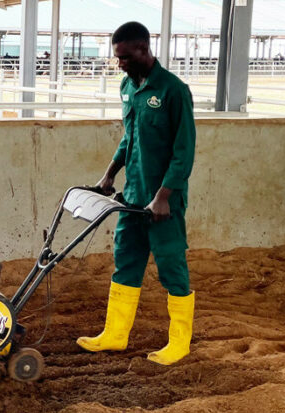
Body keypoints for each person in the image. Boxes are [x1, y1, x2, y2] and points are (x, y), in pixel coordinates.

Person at [77, 21, 196, 366]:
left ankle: (179, 342)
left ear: (144, 50)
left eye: (125, 57)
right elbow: (129, 138)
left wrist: (164, 195)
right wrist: (108, 176)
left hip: (163, 202)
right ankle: (115, 334)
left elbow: (184, 150)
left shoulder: (173, 90)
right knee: (125, 261)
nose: (120, 64)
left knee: (171, 266)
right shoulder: (128, 87)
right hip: (132, 196)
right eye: (117, 58)